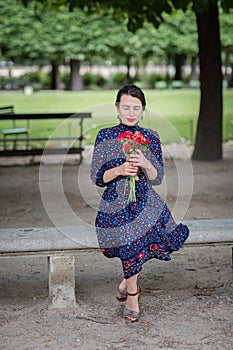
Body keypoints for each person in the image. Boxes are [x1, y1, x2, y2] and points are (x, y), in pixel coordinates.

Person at [90, 85, 189, 322]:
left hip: (145, 200)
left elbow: (157, 178)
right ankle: (131, 288)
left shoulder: (151, 137)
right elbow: (97, 177)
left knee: (140, 234)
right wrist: (119, 169)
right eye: (126, 107)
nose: (131, 112)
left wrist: (145, 162)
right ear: (117, 108)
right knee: (128, 233)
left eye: (136, 108)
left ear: (143, 110)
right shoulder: (105, 136)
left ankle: (130, 289)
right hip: (114, 202)